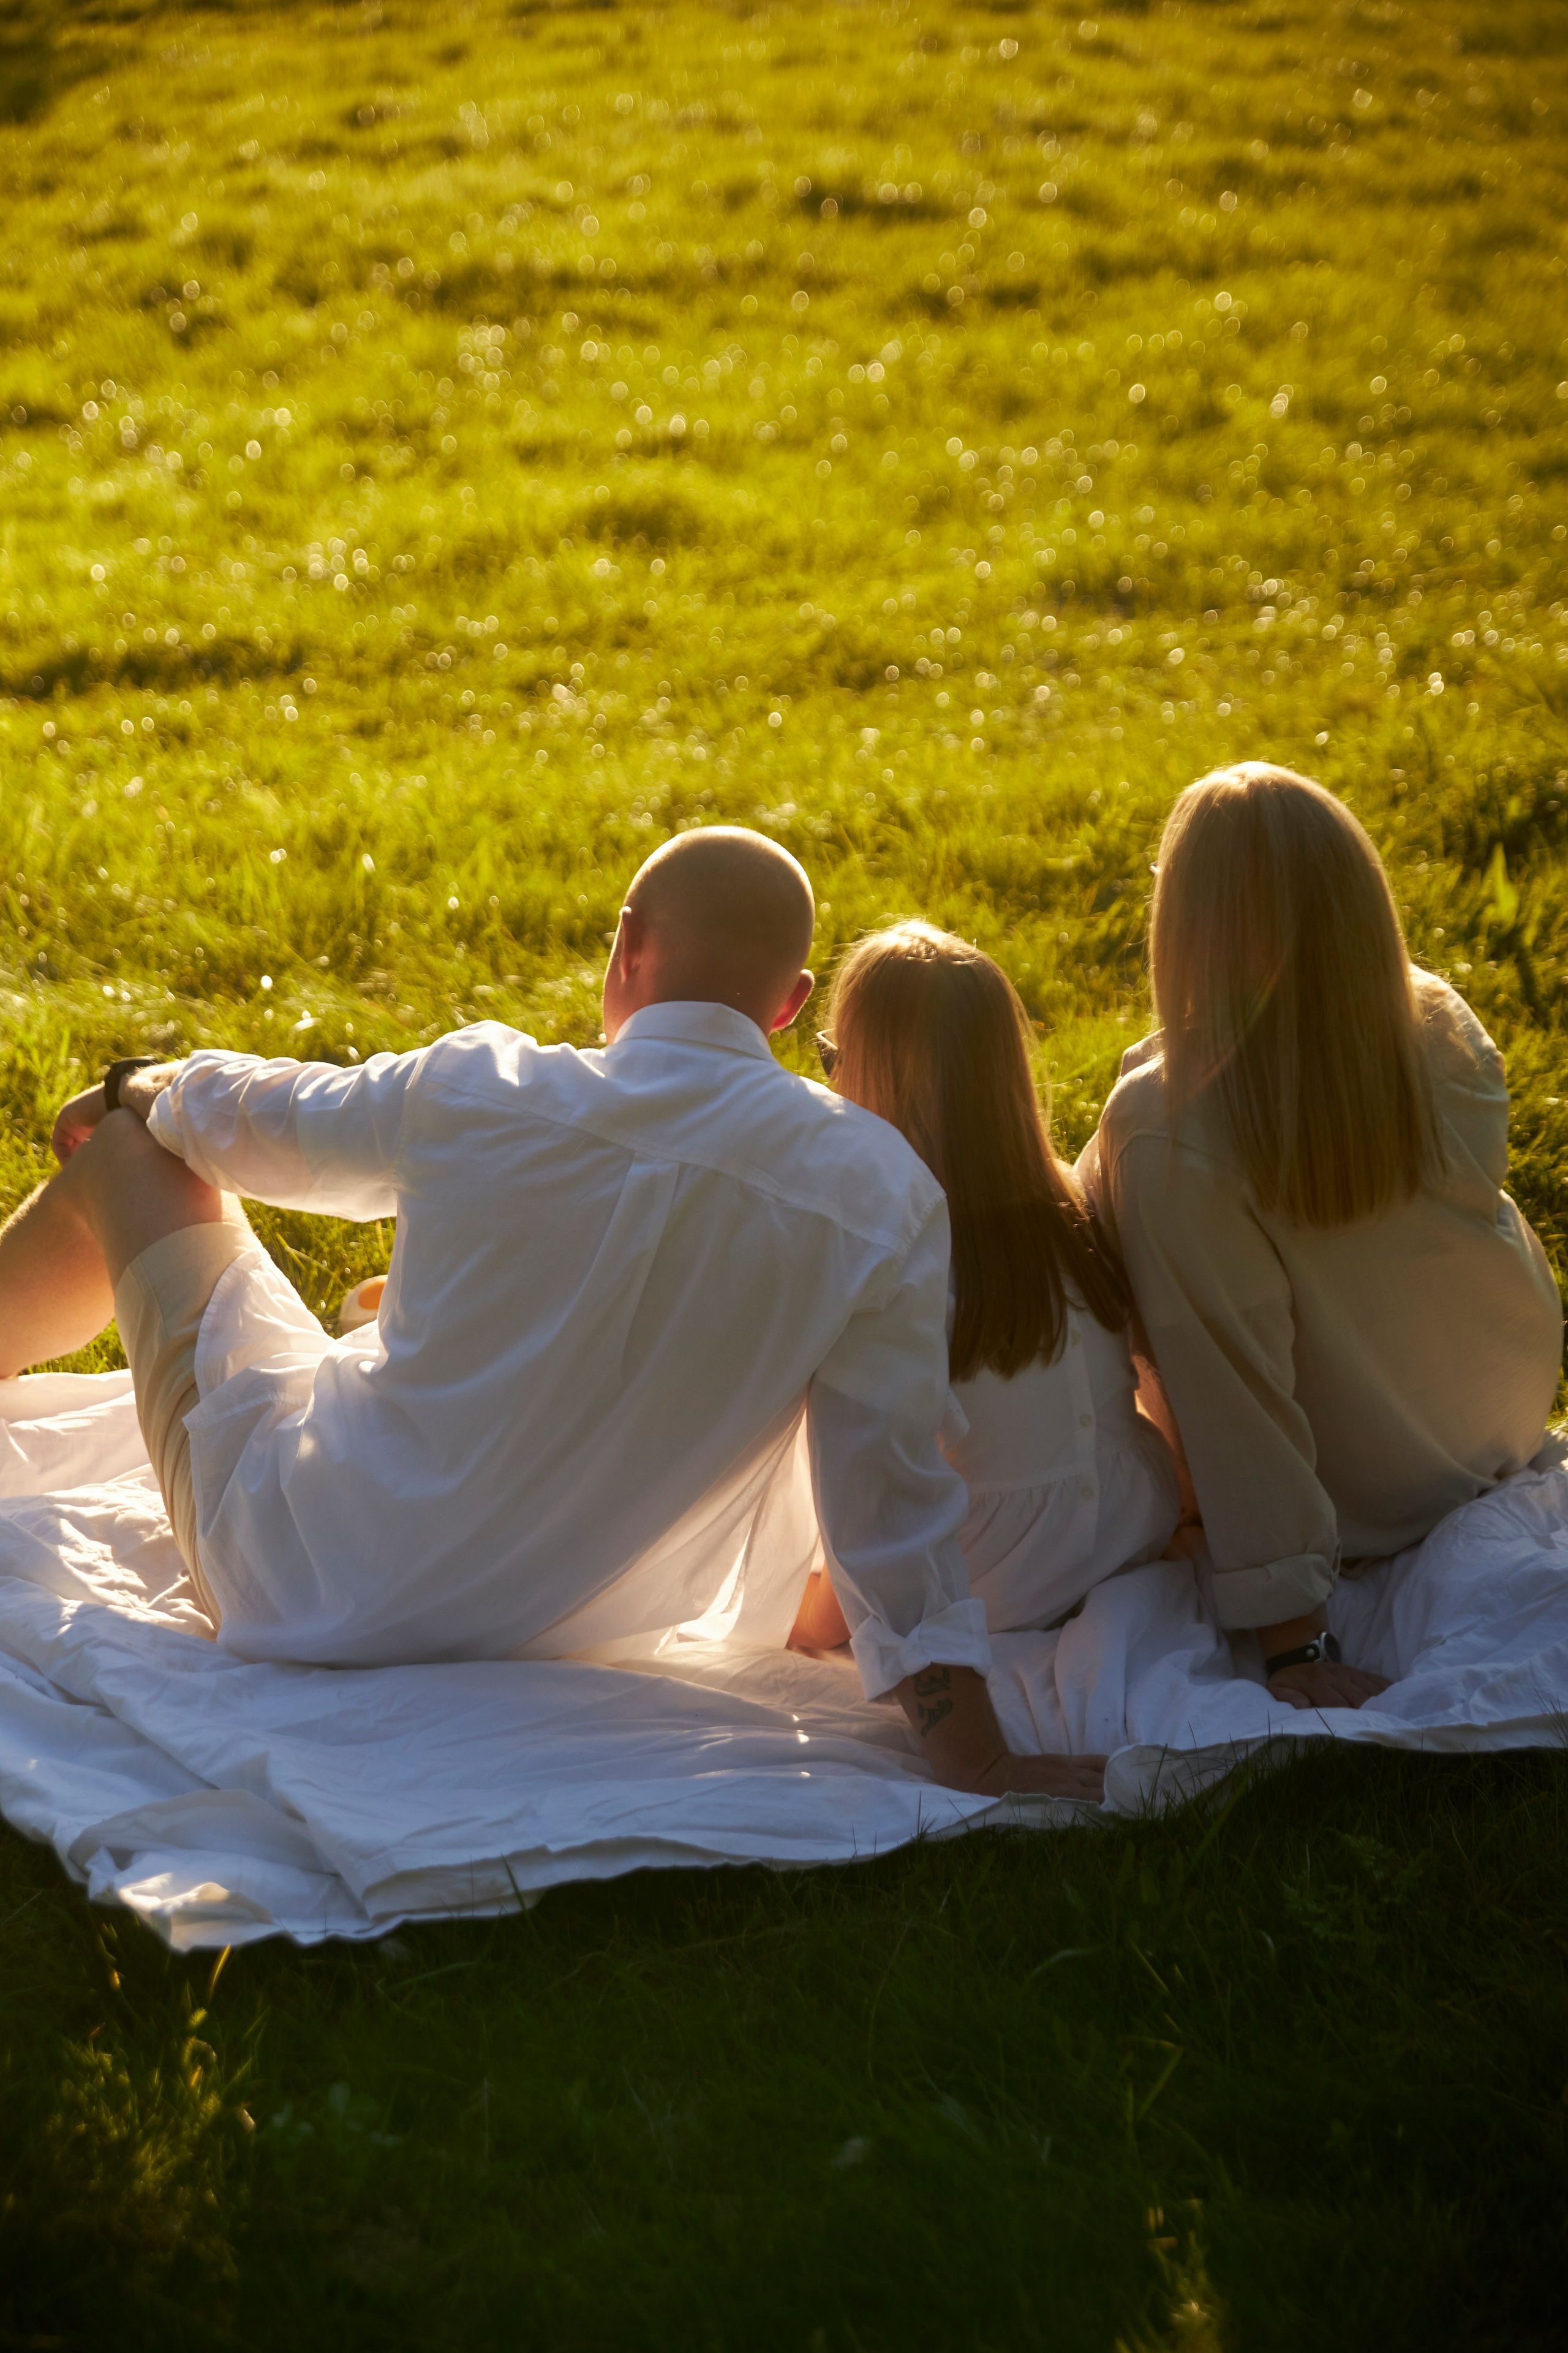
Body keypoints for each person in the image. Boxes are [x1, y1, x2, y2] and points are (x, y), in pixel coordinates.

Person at [0, 827, 1102, 1802]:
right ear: (790, 1005)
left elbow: (262, 1118)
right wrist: (975, 1757)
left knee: (132, 1156)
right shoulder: (881, 1192)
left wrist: (137, 1086)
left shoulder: (485, 1085)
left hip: (300, 1574)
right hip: (581, 1635)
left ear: (626, 946)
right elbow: (887, 1504)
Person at [1078, 763, 1564, 1711]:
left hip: (1375, 1486)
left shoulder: (1170, 1128)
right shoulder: (1432, 1017)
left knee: (1122, 1181)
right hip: (1499, 1402)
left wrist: (1296, 1640)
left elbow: (1231, 1384)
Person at [790, 921, 1181, 1651]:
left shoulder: (901, 1256)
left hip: (998, 1577)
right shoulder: (1073, 1205)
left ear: (879, 1081)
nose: (828, 1082)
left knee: (764, 1612)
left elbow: (878, 1522)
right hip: (1125, 1533)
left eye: (831, 1058)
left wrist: (793, 1623)